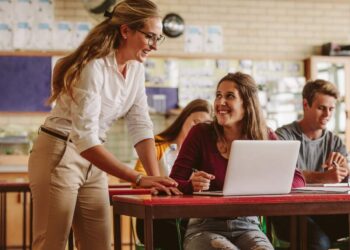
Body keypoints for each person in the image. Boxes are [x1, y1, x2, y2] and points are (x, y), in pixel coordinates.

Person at [28, 1, 178, 250]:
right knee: (51, 244)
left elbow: (140, 123)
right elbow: (84, 138)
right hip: (60, 151)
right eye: (149, 36)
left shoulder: (136, 69)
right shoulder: (94, 66)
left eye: (158, 38)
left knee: (98, 245)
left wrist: (157, 180)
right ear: (126, 31)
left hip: (93, 158)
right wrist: (139, 179)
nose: (154, 45)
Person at [169, 72, 305, 250]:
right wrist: (190, 185)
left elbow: (298, 179)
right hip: (204, 226)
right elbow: (173, 183)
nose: (220, 102)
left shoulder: (264, 136)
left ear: (247, 104)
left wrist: (267, 183)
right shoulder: (200, 134)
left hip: (248, 226)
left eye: (229, 96)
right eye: (218, 95)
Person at [271, 79, 350, 250]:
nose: (327, 114)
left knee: (323, 239)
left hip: (325, 212)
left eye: (331, 109)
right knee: (319, 243)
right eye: (321, 108)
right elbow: (280, 174)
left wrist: (344, 170)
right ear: (305, 104)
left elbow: (346, 175)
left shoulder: (335, 142)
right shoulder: (283, 136)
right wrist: (324, 177)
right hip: (289, 213)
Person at [134, 98, 213, 249]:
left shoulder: (205, 154)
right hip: (158, 216)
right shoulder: (157, 145)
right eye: (195, 122)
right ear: (183, 119)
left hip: (190, 218)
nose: (196, 129)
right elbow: (138, 181)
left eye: (204, 126)